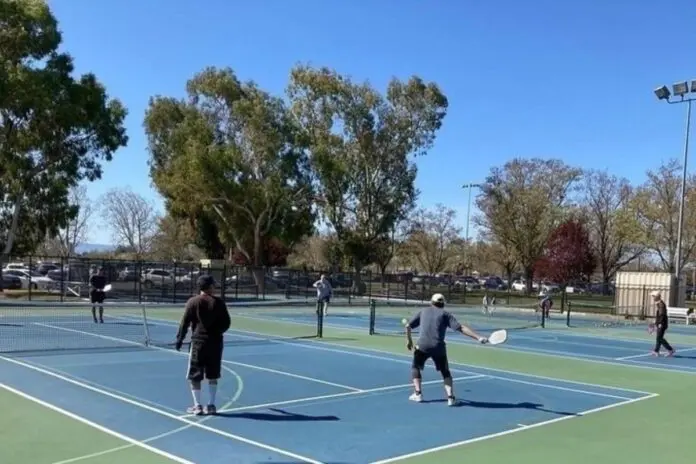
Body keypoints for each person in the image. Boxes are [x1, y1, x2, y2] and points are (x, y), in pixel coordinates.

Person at [405, 293, 488, 407]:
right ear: (443, 304)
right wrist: (478, 337)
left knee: (415, 367)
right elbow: (460, 328)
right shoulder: (445, 314)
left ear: (431, 302)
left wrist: (409, 341)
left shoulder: (423, 311)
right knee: (445, 372)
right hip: (438, 347)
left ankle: (418, 394)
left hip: (422, 346)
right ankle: (450, 398)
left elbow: (408, 326)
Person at [175, 275, 231, 416]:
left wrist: (179, 339)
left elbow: (184, 323)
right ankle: (211, 405)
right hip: (215, 343)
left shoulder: (192, 302)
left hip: (198, 343)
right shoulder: (219, 303)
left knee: (195, 375)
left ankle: (197, 406)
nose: (215, 287)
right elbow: (226, 323)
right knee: (213, 374)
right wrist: (216, 332)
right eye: (213, 285)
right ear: (209, 287)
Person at [650, 290, 675, 357]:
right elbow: (659, 315)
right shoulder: (659, 303)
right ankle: (656, 351)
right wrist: (655, 322)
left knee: (659, 338)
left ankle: (670, 350)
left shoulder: (661, 304)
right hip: (661, 323)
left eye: (653, 296)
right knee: (659, 337)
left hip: (662, 323)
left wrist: (659, 323)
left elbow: (662, 315)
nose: (653, 298)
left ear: (657, 296)